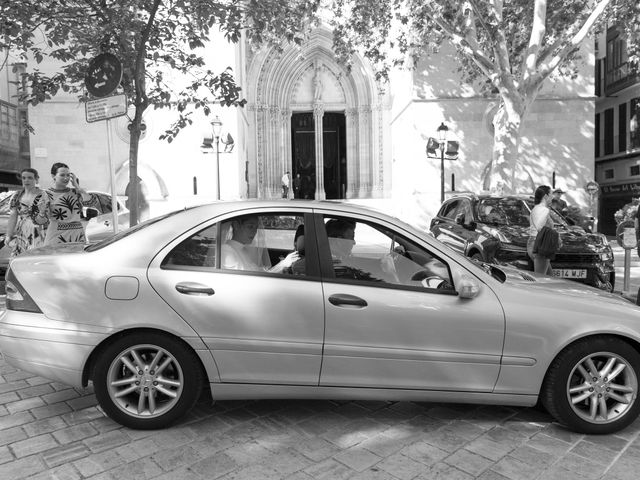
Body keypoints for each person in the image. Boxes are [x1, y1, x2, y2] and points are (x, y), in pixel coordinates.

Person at [35, 162, 96, 245]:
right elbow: (40, 221)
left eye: (68, 175)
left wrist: (77, 186)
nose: (66, 178)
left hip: (77, 236)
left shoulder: (76, 192)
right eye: (62, 175)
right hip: (56, 237)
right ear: (53, 176)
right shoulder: (46, 194)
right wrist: (41, 212)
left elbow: (91, 202)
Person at [221, 215, 299, 273]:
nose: (254, 231)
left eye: (256, 227)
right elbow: (250, 281)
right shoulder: (227, 250)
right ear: (236, 225)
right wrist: (283, 264)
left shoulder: (244, 250)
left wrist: (283, 264)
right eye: (250, 226)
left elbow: (260, 273)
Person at [5, 168, 46, 256]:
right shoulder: (17, 195)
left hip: (39, 231)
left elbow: (48, 216)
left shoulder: (44, 195)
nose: (26, 180)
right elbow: (13, 216)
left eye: (30, 178)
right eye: (24, 178)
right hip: (22, 232)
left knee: (37, 258)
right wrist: (8, 235)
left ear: (36, 179)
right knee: (20, 258)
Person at [528, 185, 557, 275]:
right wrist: (555, 237)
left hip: (533, 243)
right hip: (541, 245)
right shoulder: (544, 210)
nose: (552, 197)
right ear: (545, 196)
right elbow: (539, 226)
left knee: (549, 277)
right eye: (551, 194)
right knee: (541, 279)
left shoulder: (535, 208)